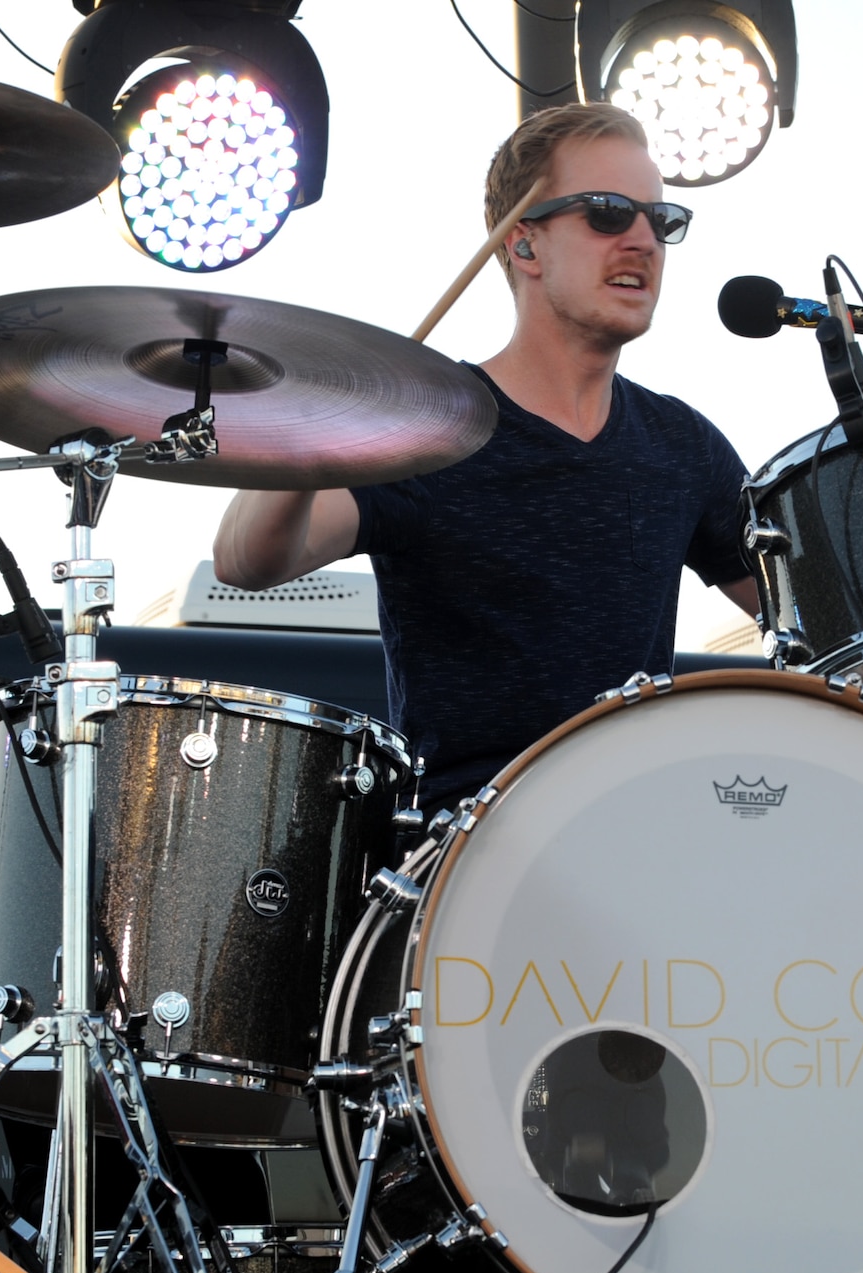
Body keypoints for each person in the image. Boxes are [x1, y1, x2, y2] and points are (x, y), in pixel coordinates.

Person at [213, 102, 758, 810]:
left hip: (639, 835)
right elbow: (245, 559)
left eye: (661, 221)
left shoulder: (683, 446)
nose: (643, 241)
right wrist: (312, 434)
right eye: (606, 213)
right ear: (524, 245)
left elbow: (818, 620)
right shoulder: (429, 425)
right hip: (463, 854)